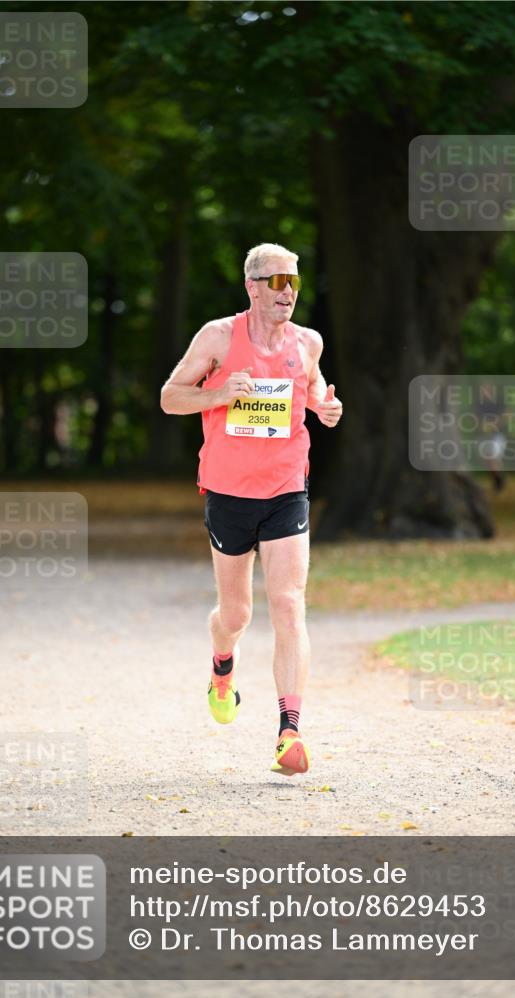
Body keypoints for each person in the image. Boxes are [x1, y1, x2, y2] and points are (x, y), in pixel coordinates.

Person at [160, 242, 342, 776]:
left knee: (288, 603)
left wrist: (325, 407)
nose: (288, 292)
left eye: (294, 282)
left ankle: (290, 732)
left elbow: (313, 392)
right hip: (228, 492)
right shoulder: (218, 337)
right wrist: (218, 395)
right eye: (277, 281)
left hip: (286, 487)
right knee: (236, 614)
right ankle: (222, 667)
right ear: (252, 287)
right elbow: (170, 397)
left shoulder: (307, 342)